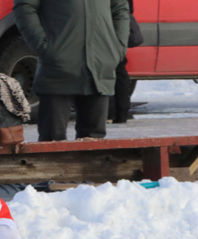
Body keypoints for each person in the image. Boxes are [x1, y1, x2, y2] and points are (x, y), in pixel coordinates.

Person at [13, 0, 130, 141]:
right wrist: (44, 47)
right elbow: (25, 7)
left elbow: (120, 9)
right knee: (52, 142)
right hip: (58, 68)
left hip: (99, 65)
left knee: (94, 145)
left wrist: (118, 48)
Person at [110, 0, 143, 124]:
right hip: (118, 24)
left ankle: (112, 113)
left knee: (113, 71)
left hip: (108, 24)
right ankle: (119, 114)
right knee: (119, 70)